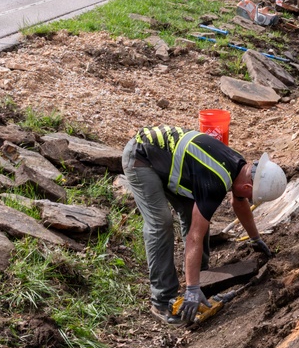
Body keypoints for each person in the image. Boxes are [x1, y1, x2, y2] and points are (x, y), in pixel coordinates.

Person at [122, 124, 288, 326]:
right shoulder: (216, 182)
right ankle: (163, 301)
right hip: (142, 157)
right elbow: (194, 237)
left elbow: (240, 203)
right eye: (251, 196)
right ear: (248, 186)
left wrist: (255, 238)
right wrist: (191, 289)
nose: (249, 199)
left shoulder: (239, 166)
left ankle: (202, 281)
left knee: (197, 216)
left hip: (167, 159)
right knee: (161, 222)